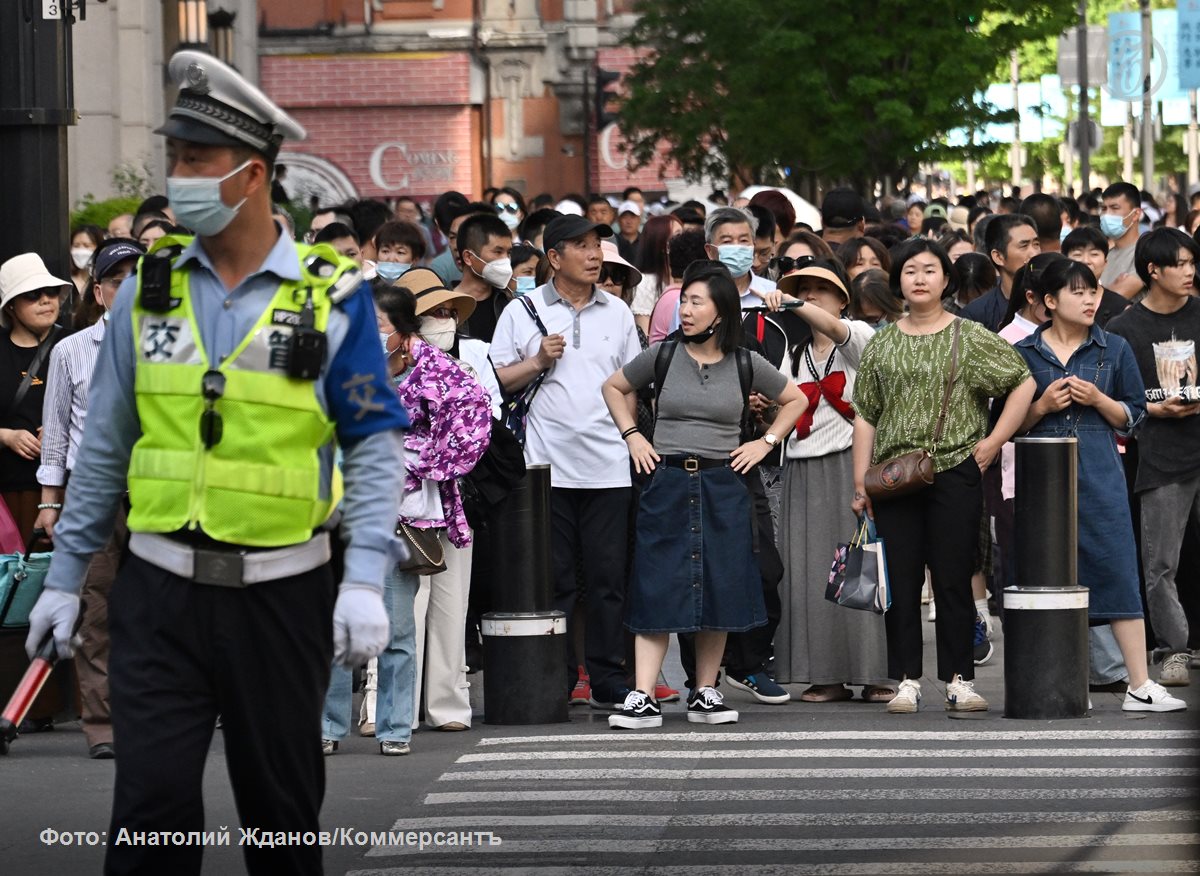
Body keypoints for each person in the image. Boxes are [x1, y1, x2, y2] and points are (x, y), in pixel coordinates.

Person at [23, 50, 409, 875]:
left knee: (280, 818)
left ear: (253, 174)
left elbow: (374, 446)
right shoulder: (145, 288)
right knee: (150, 817)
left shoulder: (332, 295)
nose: (179, 176)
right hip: (158, 592)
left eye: (196, 160)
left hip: (283, 594)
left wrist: (367, 576)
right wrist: (63, 576)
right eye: (175, 158)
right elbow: (104, 449)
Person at [601, 261, 807, 728]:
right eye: (684, 301)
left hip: (722, 483)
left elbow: (796, 399)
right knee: (657, 582)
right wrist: (633, 434)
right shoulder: (663, 355)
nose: (685, 310)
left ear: (721, 313)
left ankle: (706, 692)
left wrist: (765, 442)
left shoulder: (744, 362)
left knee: (718, 584)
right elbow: (614, 387)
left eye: (696, 302)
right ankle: (642, 695)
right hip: (668, 480)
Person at [852, 238, 1035, 714]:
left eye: (930, 270)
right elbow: (865, 414)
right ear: (898, 282)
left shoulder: (968, 336)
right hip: (892, 478)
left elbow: (1022, 381)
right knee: (902, 580)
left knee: (954, 577)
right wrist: (860, 481)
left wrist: (993, 443)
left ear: (946, 279)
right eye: (910, 270)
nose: (919, 278)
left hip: (955, 469)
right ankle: (907, 680)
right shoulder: (883, 343)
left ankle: (959, 679)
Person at [322, 278, 490, 754]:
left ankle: (395, 726)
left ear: (401, 328)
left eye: (376, 325)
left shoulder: (439, 370)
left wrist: (412, 459)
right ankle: (328, 726)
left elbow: (471, 424)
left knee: (397, 625)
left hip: (402, 514)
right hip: (339, 508)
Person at [1015, 257, 1185, 712]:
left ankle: (1139, 685)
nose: (1090, 299)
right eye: (1078, 292)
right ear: (1050, 302)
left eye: (1093, 291)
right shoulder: (1025, 353)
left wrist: (1099, 400)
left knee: (1116, 568)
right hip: (1043, 471)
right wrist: (1042, 406)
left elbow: (1133, 415)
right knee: (1050, 577)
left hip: (1100, 467)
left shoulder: (1114, 348)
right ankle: (1059, 684)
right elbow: (1009, 424)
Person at [491, 214, 642, 710]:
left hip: (609, 465)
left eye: (597, 243)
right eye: (581, 245)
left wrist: (629, 438)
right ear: (554, 258)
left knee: (607, 580)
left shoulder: (618, 312)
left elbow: (631, 386)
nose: (595, 254)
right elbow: (496, 383)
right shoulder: (522, 310)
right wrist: (536, 360)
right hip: (544, 468)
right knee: (553, 581)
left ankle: (607, 680)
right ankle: (553, 678)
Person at [35, 239, 144, 759]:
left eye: (137, 276)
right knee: (93, 611)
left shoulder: (174, 350)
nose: (128, 287)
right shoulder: (69, 350)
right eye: (117, 278)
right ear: (98, 291)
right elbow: (54, 433)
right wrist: (50, 502)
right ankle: (103, 724)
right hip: (91, 493)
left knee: (155, 611)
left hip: (154, 492)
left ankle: (153, 715)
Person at [772, 260, 891, 702]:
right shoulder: (796, 352)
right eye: (804, 289)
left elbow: (836, 330)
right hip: (803, 465)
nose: (811, 296)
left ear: (842, 299)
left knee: (862, 565)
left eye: (821, 290)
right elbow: (786, 402)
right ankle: (825, 674)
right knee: (809, 572)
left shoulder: (858, 335)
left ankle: (875, 671)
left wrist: (792, 302)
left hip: (849, 463)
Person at [1107, 227, 1200, 687]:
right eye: (1179, 264)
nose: (1189, 272)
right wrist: (1149, 408)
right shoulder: (1124, 330)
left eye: (1191, 263)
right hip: (1160, 457)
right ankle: (1174, 649)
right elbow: (1114, 399)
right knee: (1160, 562)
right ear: (1152, 271)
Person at [962, 213, 1040, 332]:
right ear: (998, 256)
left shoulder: (1055, 302)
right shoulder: (977, 315)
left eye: (1036, 244)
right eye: (1024, 246)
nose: (1034, 253)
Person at [454, 212, 514, 342]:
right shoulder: (445, 308)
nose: (505, 259)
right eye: (498, 252)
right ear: (468, 257)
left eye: (508, 253)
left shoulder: (509, 303)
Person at [1061, 226, 1131, 329]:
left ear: (1105, 262)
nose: (1085, 261)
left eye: (1094, 254)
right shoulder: (1056, 302)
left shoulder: (1121, 308)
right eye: (1077, 254)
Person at [631, 214, 682, 335]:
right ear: (661, 243)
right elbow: (645, 335)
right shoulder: (644, 284)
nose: (684, 240)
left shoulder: (689, 277)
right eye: (678, 235)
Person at [1099, 182, 1145, 299]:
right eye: (1104, 208)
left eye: (1115, 208)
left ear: (1135, 214)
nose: (1106, 215)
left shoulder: (1145, 252)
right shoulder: (1105, 255)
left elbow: (1112, 300)